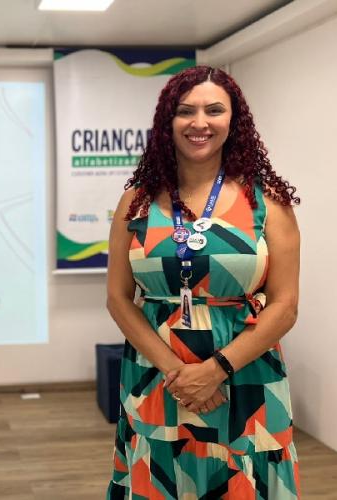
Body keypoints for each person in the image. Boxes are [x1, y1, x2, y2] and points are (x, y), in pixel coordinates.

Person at [105, 66, 301, 498]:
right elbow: (118, 299)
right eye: (185, 111)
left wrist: (216, 370)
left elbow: (285, 305)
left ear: (234, 120)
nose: (200, 122)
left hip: (245, 378)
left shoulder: (267, 202)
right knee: (160, 476)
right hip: (158, 378)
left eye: (214, 110)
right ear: (168, 121)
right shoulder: (136, 201)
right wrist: (177, 373)